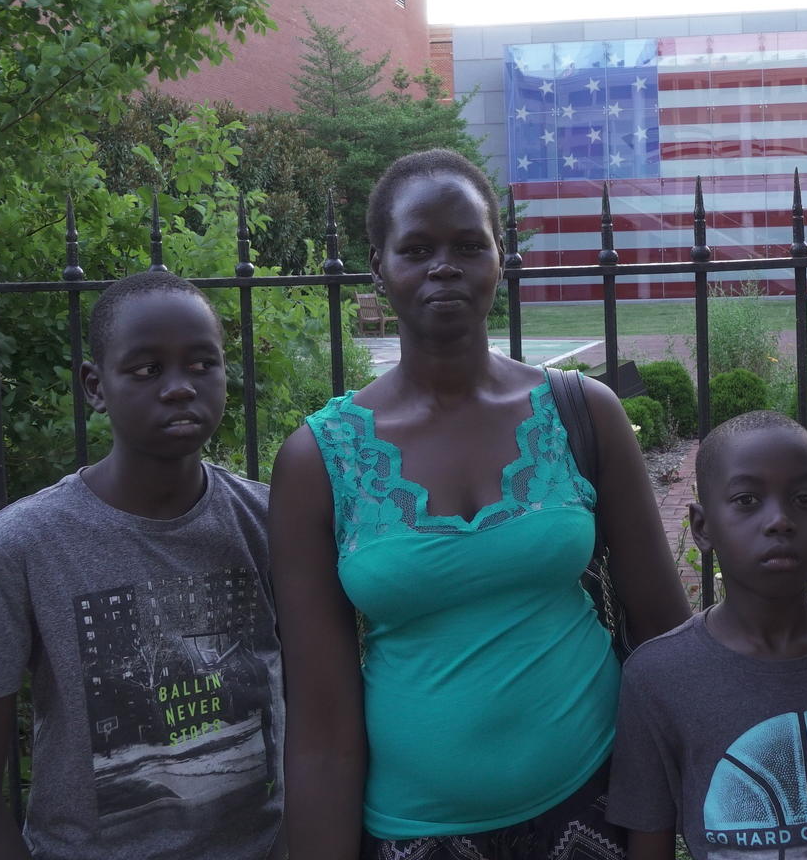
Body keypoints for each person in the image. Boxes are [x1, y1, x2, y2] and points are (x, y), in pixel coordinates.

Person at [267, 148, 691, 860]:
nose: (444, 266)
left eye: (468, 245)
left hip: (596, 805)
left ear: (501, 257)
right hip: (414, 835)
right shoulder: (319, 460)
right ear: (379, 265)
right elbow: (320, 728)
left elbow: (665, 635)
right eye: (417, 248)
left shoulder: (584, 415)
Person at [0, 270, 285, 860]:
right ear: (95, 386)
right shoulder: (20, 547)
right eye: (148, 369)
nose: (180, 387)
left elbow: (326, 722)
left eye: (203, 363)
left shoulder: (271, 522)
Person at [608, 411, 807, 860]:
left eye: (804, 498)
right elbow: (649, 844)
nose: (780, 520)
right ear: (702, 527)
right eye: (747, 500)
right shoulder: (658, 677)